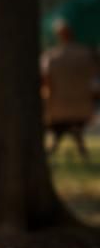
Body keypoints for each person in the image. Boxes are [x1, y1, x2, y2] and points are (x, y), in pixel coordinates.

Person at [41, 19, 98, 162]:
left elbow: (45, 83)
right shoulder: (86, 55)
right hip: (83, 109)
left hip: (57, 110)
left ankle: (51, 151)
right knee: (71, 127)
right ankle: (81, 151)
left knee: (58, 127)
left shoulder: (51, 57)